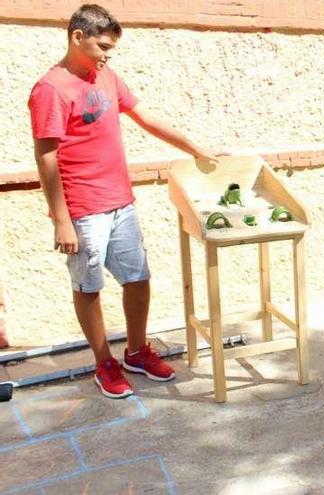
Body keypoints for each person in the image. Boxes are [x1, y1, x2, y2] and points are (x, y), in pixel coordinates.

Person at [28, 4, 221, 398]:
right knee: (89, 286)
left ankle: (135, 352)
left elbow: (144, 115)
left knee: (138, 279)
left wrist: (194, 147)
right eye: (101, 46)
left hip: (120, 202)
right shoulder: (50, 89)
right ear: (76, 37)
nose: (106, 56)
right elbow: (46, 157)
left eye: (110, 50)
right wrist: (60, 219)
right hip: (82, 208)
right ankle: (104, 362)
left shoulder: (106, 76)